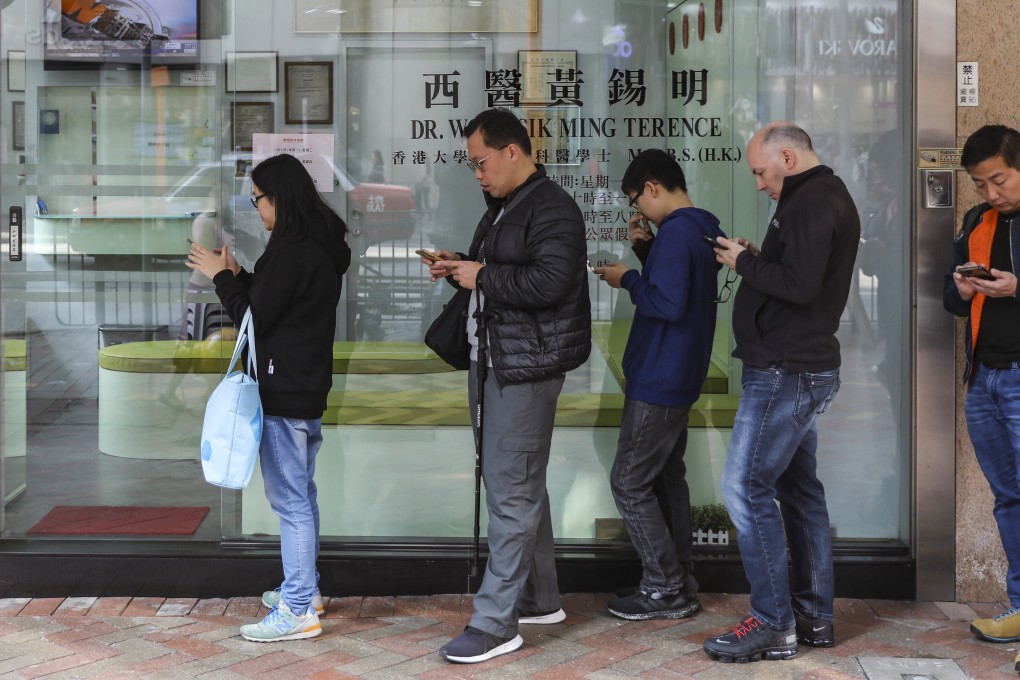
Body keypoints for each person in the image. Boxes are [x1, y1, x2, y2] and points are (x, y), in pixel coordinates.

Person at [424, 108, 591, 664]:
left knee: (511, 489)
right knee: (517, 482)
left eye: (481, 162)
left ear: (513, 151)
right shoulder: (506, 207)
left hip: (526, 368)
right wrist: (460, 265)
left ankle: (497, 622)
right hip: (496, 359)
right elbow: (500, 268)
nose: (476, 173)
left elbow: (550, 281)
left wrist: (481, 275)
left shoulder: (555, 209)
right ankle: (539, 597)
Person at [700, 122, 860, 663]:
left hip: (785, 371)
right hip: (792, 366)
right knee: (798, 491)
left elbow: (798, 285)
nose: (759, 183)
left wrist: (741, 262)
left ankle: (772, 622)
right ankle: (813, 617)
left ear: (787, 157)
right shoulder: (814, 197)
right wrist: (752, 256)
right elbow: (794, 275)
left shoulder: (813, 203)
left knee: (745, 488)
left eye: (761, 172)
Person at [186, 153, 352, 643]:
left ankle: (298, 608)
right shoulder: (317, 242)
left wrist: (220, 277)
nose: (255, 208)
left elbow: (256, 319)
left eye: (257, 199)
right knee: (303, 494)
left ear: (279, 198)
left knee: (290, 500)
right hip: (305, 384)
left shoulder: (294, 249)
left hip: (284, 389)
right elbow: (276, 303)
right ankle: (307, 590)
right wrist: (237, 275)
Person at [592, 149, 725, 621]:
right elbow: (681, 290)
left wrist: (625, 275)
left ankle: (665, 587)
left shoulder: (675, 234)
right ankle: (678, 577)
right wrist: (646, 252)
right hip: (681, 372)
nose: (636, 211)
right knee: (668, 479)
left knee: (628, 483)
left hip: (660, 376)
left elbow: (666, 304)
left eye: (635, 200)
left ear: (652, 187)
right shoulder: (702, 225)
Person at [942, 124, 1020, 652]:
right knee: (1009, 498)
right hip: (984, 380)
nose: (991, 194)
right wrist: (961, 286)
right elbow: (951, 299)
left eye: (1000, 180)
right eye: (979, 184)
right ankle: (1019, 607)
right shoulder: (979, 222)